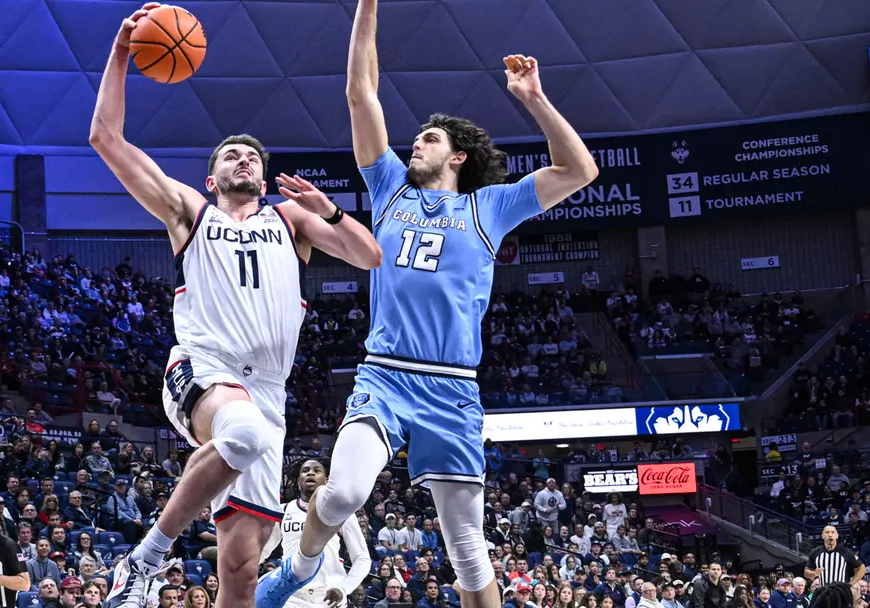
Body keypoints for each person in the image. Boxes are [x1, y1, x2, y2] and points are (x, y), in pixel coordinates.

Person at [255, 0, 597, 606]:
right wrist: (367, 7)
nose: (416, 144)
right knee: (340, 496)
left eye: (429, 139)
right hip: (385, 374)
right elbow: (361, 95)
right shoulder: (389, 189)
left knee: (467, 549)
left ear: (458, 156)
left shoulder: (490, 206)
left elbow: (580, 169)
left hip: (453, 387)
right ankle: (299, 569)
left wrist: (534, 98)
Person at [90, 6, 382, 608]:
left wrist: (328, 210)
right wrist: (122, 51)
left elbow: (369, 255)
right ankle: (142, 562)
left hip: (270, 392)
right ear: (211, 176)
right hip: (204, 365)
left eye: (253, 156)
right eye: (231, 155)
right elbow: (106, 138)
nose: (244, 159)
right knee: (242, 434)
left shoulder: (291, 218)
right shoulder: (189, 213)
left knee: (243, 568)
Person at [259, 460, 371, 608]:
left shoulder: (340, 513)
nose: (310, 473)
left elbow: (362, 558)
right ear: (299, 481)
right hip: (292, 596)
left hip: (330, 595)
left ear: (326, 481)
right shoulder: (283, 511)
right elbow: (263, 551)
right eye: (305, 471)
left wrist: (343, 589)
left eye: (317, 470)